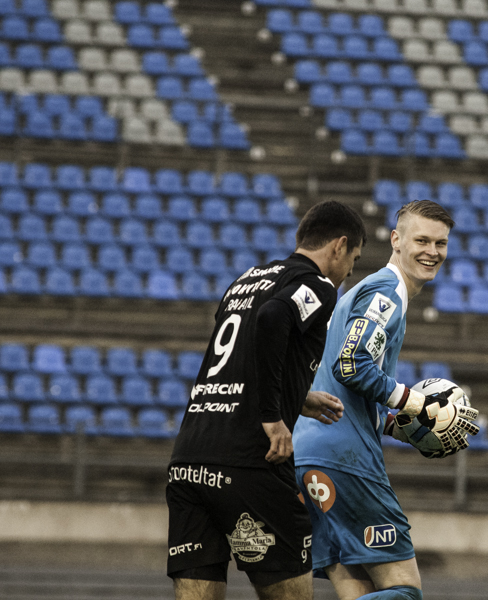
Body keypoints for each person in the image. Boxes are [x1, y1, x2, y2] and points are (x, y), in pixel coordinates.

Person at [166, 200, 367, 600]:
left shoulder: (247, 279)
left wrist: (297, 394)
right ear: (338, 246)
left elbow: (241, 352)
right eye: (355, 260)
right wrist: (273, 416)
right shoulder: (317, 285)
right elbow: (273, 319)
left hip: (191, 457)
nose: (349, 274)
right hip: (249, 463)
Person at [293, 200, 479, 600]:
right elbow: (351, 365)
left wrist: (395, 424)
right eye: (422, 240)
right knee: (403, 589)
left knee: (358, 590)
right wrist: (418, 404)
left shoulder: (360, 292)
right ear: (396, 240)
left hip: (309, 452)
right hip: (346, 458)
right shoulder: (387, 291)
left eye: (441, 243)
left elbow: (337, 380)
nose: (432, 251)